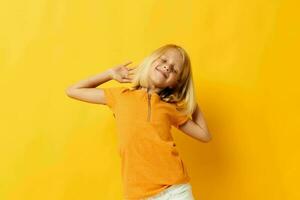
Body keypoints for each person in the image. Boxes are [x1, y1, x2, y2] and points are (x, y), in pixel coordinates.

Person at [65, 44, 212, 200]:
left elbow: (204, 135)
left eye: (175, 70)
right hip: (137, 194)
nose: (167, 67)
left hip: (174, 189)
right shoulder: (120, 96)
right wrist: (109, 74)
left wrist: (191, 100)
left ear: (174, 83)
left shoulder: (170, 107)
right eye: (163, 60)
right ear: (150, 61)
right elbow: (73, 90)